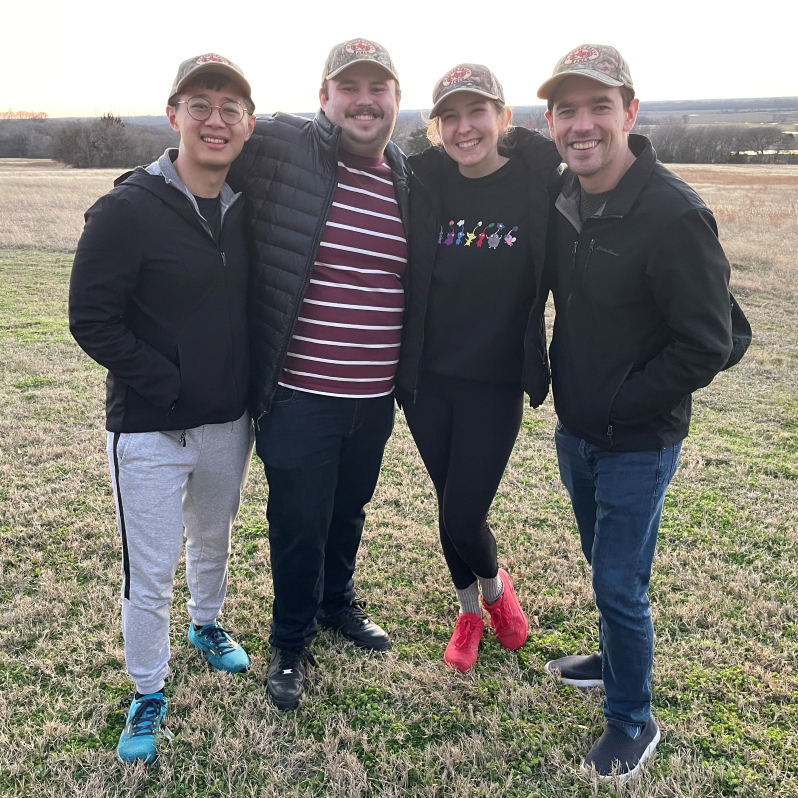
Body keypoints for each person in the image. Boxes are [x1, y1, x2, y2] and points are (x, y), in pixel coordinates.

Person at [538, 45, 734, 780]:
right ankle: (610, 657)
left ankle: (632, 718)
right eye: (567, 110)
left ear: (630, 111)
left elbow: (709, 342)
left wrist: (623, 402)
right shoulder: (565, 200)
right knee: (606, 566)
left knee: (620, 582)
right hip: (576, 432)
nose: (581, 124)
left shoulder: (675, 213)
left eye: (598, 107)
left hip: (638, 440)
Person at [69, 53, 256, 763]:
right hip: (152, 427)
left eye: (230, 107)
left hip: (228, 423)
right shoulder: (126, 209)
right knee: (147, 572)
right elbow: (91, 317)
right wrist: (169, 384)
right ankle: (148, 687)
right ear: (174, 114)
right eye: (200, 104)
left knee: (213, 539)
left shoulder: (244, 206)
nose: (215, 119)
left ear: (249, 124)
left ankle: (207, 624)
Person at [228, 39, 408, 711]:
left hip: (372, 398)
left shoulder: (406, 177)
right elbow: (207, 147)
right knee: (299, 518)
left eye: (378, 87)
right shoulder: (279, 146)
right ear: (324, 96)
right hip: (301, 395)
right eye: (349, 86)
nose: (364, 100)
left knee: (347, 511)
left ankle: (337, 604)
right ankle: (290, 641)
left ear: (395, 98)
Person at [394, 65, 562, 672]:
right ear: (436, 128)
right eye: (451, 117)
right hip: (427, 380)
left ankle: (496, 590)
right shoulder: (423, 182)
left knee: (465, 512)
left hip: (495, 381)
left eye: (478, 112)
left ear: (503, 117)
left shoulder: (539, 185)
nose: (465, 128)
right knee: (449, 504)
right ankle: (469, 609)